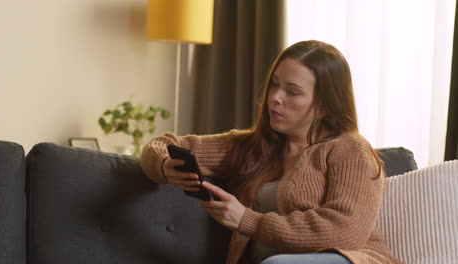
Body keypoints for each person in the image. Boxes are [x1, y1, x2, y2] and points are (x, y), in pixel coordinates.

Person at [140, 40, 404, 264]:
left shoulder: (351, 151)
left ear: (324, 105)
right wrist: (164, 166)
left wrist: (247, 220)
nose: (275, 97)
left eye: (293, 92)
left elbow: (344, 233)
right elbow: (161, 144)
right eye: (275, 84)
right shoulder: (254, 146)